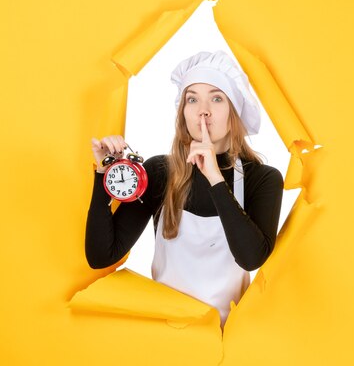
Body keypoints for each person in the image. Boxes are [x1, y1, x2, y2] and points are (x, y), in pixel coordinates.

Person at [85, 50, 284, 327]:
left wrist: (214, 177)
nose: (203, 110)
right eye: (192, 99)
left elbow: (251, 259)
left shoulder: (262, 179)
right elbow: (101, 255)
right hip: (167, 337)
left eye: (216, 98)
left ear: (234, 113)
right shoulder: (159, 172)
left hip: (225, 342)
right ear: (183, 114)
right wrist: (104, 173)